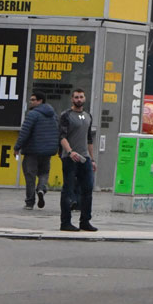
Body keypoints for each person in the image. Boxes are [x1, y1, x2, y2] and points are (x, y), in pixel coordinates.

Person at [58, 88, 97, 233]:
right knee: (68, 190)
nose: (79, 99)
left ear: (85, 98)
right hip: (70, 157)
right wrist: (69, 152)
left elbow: (89, 138)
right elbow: (62, 136)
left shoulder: (87, 116)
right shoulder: (66, 115)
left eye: (81, 97)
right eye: (76, 97)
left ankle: (85, 221)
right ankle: (65, 222)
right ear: (72, 99)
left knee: (87, 189)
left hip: (84, 157)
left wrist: (92, 159)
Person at [14, 90, 60, 210]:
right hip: (47, 151)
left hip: (32, 151)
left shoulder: (32, 114)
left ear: (40, 101)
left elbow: (24, 132)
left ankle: (30, 202)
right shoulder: (53, 115)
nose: (31, 102)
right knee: (44, 172)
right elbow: (57, 131)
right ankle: (41, 189)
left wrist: (17, 147)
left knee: (30, 176)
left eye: (33, 100)